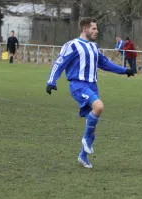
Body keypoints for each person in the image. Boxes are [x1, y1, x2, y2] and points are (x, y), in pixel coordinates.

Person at [45, 17, 134, 169]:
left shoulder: (93, 46)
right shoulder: (72, 45)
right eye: (94, 28)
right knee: (99, 107)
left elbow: (105, 64)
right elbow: (60, 62)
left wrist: (124, 70)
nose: (96, 31)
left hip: (92, 86)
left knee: (91, 124)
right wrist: (51, 81)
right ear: (85, 29)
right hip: (78, 85)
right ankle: (86, 140)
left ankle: (83, 156)